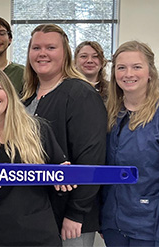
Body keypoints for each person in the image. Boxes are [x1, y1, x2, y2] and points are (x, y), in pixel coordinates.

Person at [0, 66, 74, 246]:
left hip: (39, 235)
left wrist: (63, 176)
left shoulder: (38, 130)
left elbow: (60, 177)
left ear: (9, 93)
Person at [21, 24, 106, 247]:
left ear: (65, 53)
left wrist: (76, 213)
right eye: (36, 47)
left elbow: (91, 159)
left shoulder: (81, 94)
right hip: (36, 213)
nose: (42, 53)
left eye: (51, 47)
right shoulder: (26, 99)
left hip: (70, 218)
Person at [101, 40, 159, 246]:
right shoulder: (111, 112)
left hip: (151, 229)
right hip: (114, 226)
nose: (128, 74)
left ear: (150, 72)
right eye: (121, 68)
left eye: (136, 67)